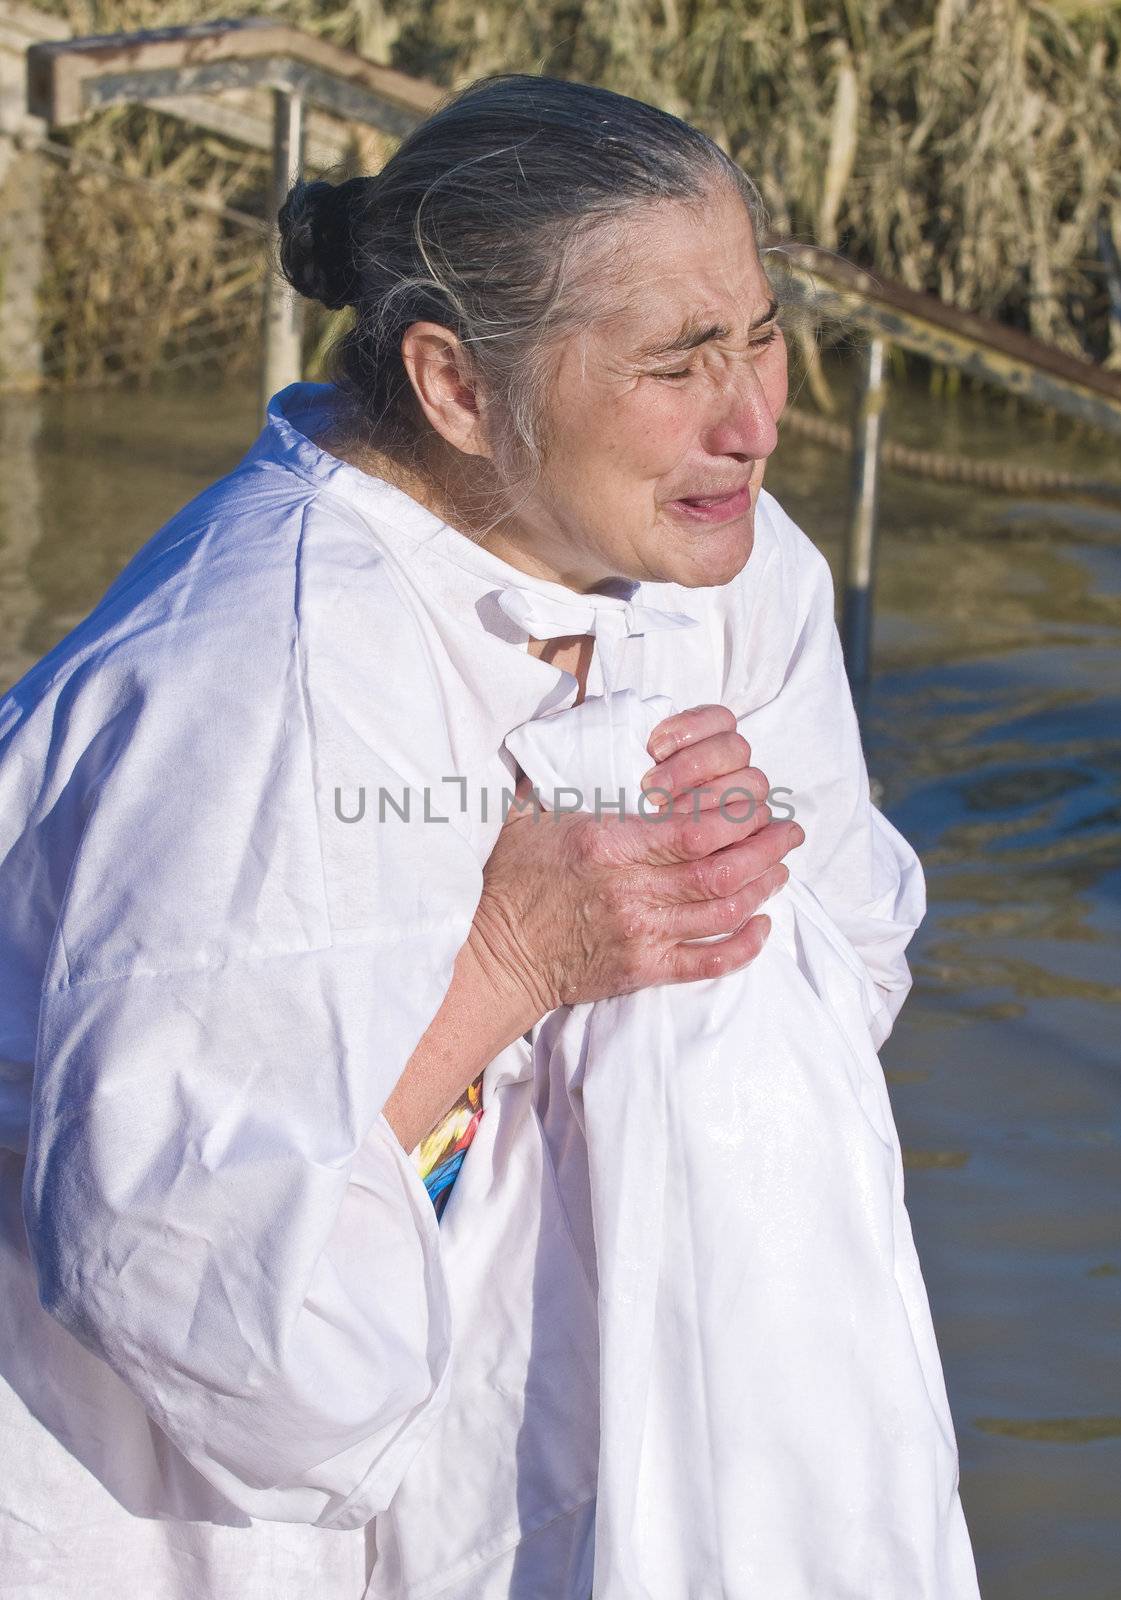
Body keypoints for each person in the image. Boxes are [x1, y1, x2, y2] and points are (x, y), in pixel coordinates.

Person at [0, 73, 978, 1600]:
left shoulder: (728, 569)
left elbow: (844, 946)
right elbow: (191, 1281)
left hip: (588, 1475)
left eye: (763, 333)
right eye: (675, 361)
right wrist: (508, 959)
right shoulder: (262, 678)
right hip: (182, 1518)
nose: (754, 418)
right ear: (454, 387)